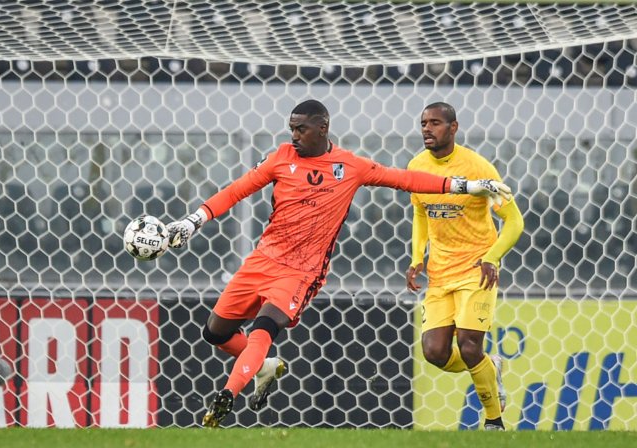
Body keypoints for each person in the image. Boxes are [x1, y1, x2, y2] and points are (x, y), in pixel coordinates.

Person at [166, 99, 512, 428]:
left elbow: (405, 180)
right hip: (262, 259)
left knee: (263, 329)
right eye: (291, 129)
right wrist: (194, 221)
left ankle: (228, 394)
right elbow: (236, 190)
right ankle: (265, 366)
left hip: (301, 271)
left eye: (301, 129)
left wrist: (467, 185)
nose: (294, 136)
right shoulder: (280, 158)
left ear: (322, 128)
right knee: (215, 332)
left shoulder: (349, 167)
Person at [405, 102, 524, 431]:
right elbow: (420, 212)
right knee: (435, 352)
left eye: (435, 123)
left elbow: (514, 221)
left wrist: (492, 257)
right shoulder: (417, 166)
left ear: (453, 128)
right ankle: (490, 367)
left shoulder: (478, 168)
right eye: (424, 123)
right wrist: (417, 257)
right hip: (440, 272)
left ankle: (494, 422)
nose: (427, 129)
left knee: (470, 345)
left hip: (476, 267)